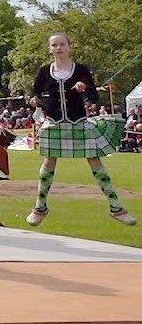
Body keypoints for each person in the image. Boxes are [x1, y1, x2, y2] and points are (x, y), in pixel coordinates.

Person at [26, 33, 133, 226]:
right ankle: (40, 208)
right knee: (49, 161)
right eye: (54, 45)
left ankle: (116, 208)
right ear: (50, 49)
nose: (58, 48)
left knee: (94, 159)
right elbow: (35, 93)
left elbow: (94, 95)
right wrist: (34, 100)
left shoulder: (81, 70)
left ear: (69, 46)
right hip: (54, 122)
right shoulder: (44, 71)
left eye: (62, 44)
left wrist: (85, 89)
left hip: (78, 121)